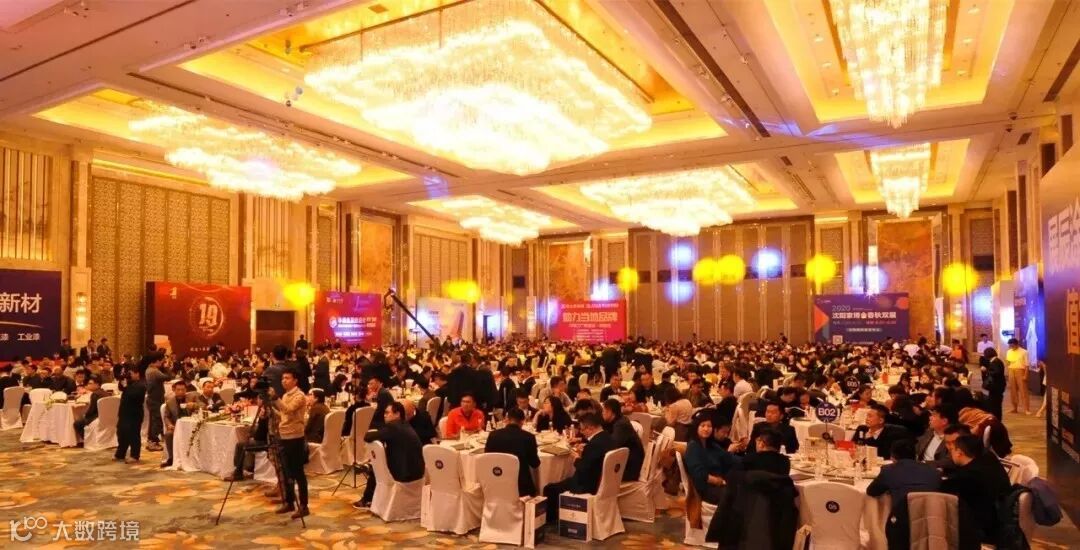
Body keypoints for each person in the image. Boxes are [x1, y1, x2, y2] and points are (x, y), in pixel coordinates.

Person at [866, 439, 942, 550]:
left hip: (903, 521)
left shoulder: (889, 470)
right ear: (915, 455)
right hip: (933, 518)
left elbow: (871, 491)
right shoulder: (934, 471)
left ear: (892, 457)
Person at [543, 412, 615, 524]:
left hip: (587, 485)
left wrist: (576, 458)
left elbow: (583, 470)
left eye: (582, 429)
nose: (582, 432)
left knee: (549, 488)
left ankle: (550, 521)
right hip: (604, 482)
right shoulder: (607, 437)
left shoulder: (594, 445)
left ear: (591, 428)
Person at [941, 434, 1012, 547]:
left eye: (952, 450)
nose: (950, 454)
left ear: (959, 452)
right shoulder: (988, 460)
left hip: (983, 530)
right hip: (1001, 518)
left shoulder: (968, 476)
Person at [353, 401, 425, 509]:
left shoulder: (393, 427)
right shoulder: (405, 425)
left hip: (406, 473)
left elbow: (367, 437)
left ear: (397, 414)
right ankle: (372, 495)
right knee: (378, 466)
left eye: (387, 413)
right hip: (418, 471)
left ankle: (367, 500)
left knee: (377, 469)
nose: (384, 415)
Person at [272, 369, 310, 519]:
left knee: (298, 472)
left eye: (287, 378)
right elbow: (283, 415)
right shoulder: (286, 395)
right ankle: (289, 502)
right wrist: (271, 408)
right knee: (286, 471)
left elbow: (288, 410)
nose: (284, 381)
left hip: (295, 437)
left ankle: (304, 505)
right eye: (283, 378)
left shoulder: (299, 396)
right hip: (284, 435)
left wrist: (275, 399)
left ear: (295, 380)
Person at [484, 407, 541, 496]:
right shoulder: (528, 437)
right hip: (521, 486)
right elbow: (535, 464)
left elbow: (487, 458)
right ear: (523, 421)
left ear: (507, 419)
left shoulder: (493, 435)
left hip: (497, 480)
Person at [684, 415, 740, 504]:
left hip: (719, 483)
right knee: (735, 497)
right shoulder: (693, 446)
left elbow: (727, 457)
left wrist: (748, 461)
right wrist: (718, 481)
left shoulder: (711, 445)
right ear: (696, 427)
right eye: (702, 425)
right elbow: (699, 474)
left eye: (709, 426)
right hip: (705, 487)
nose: (706, 429)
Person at [224, 393, 270, 482]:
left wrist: (253, 436)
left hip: (264, 441)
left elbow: (262, 432)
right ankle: (243, 469)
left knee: (240, 445)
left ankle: (238, 473)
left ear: (262, 400)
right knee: (244, 441)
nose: (257, 401)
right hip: (262, 439)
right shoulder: (265, 410)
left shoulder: (265, 412)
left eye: (258, 399)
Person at [601, 398, 644, 481]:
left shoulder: (621, 425)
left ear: (610, 411)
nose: (602, 413)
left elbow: (612, 446)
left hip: (629, 468)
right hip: (625, 462)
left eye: (603, 411)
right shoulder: (618, 420)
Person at [114, 368, 146, 463]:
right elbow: (121, 388)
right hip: (124, 412)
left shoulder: (141, 384)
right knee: (121, 433)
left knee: (133, 435)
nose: (129, 376)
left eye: (131, 374)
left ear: (137, 374)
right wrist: (121, 380)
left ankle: (135, 455)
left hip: (134, 414)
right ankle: (120, 454)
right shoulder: (129, 383)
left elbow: (133, 395)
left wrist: (126, 386)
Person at [161, 380, 195, 467]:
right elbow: (166, 416)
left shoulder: (192, 398)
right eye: (178, 390)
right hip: (176, 427)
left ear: (186, 390)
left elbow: (202, 406)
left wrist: (194, 405)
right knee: (168, 434)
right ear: (174, 390)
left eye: (182, 390)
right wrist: (169, 424)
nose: (180, 392)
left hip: (191, 426)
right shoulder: (170, 402)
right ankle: (171, 458)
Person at [144, 353, 169, 452]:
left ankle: (152, 441)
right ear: (157, 360)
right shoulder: (154, 371)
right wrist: (166, 367)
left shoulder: (149, 369)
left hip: (153, 398)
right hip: (155, 399)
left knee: (153, 420)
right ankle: (153, 441)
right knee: (157, 420)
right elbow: (168, 377)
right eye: (162, 361)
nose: (163, 362)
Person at [73, 375, 107, 446]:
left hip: (97, 417)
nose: (88, 385)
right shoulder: (104, 392)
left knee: (77, 423)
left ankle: (86, 440)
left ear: (97, 384)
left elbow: (92, 410)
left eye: (90, 383)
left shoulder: (95, 394)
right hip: (106, 416)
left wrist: (85, 415)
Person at [1004, 338, 1030, 414]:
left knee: (1023, 390)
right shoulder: (1008, 351)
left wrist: (1025, 375)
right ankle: (1014, 408)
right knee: (1013, 391)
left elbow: (1027, 365)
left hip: (1020, 370)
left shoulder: (1024, 352)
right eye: (1010, 346)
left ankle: (1026, 409)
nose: (1011, 347)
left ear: (1017, 344)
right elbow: (1008, 362)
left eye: (1012, 345)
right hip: (1011, 370)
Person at [980, 347, 1006, 419]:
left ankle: (996, 419)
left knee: (995, 404)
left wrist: (986, 370)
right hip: (996, 386)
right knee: (994, 404)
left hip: (996, 386)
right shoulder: (994, 361)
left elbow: (997, 372)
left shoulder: (996, 362)